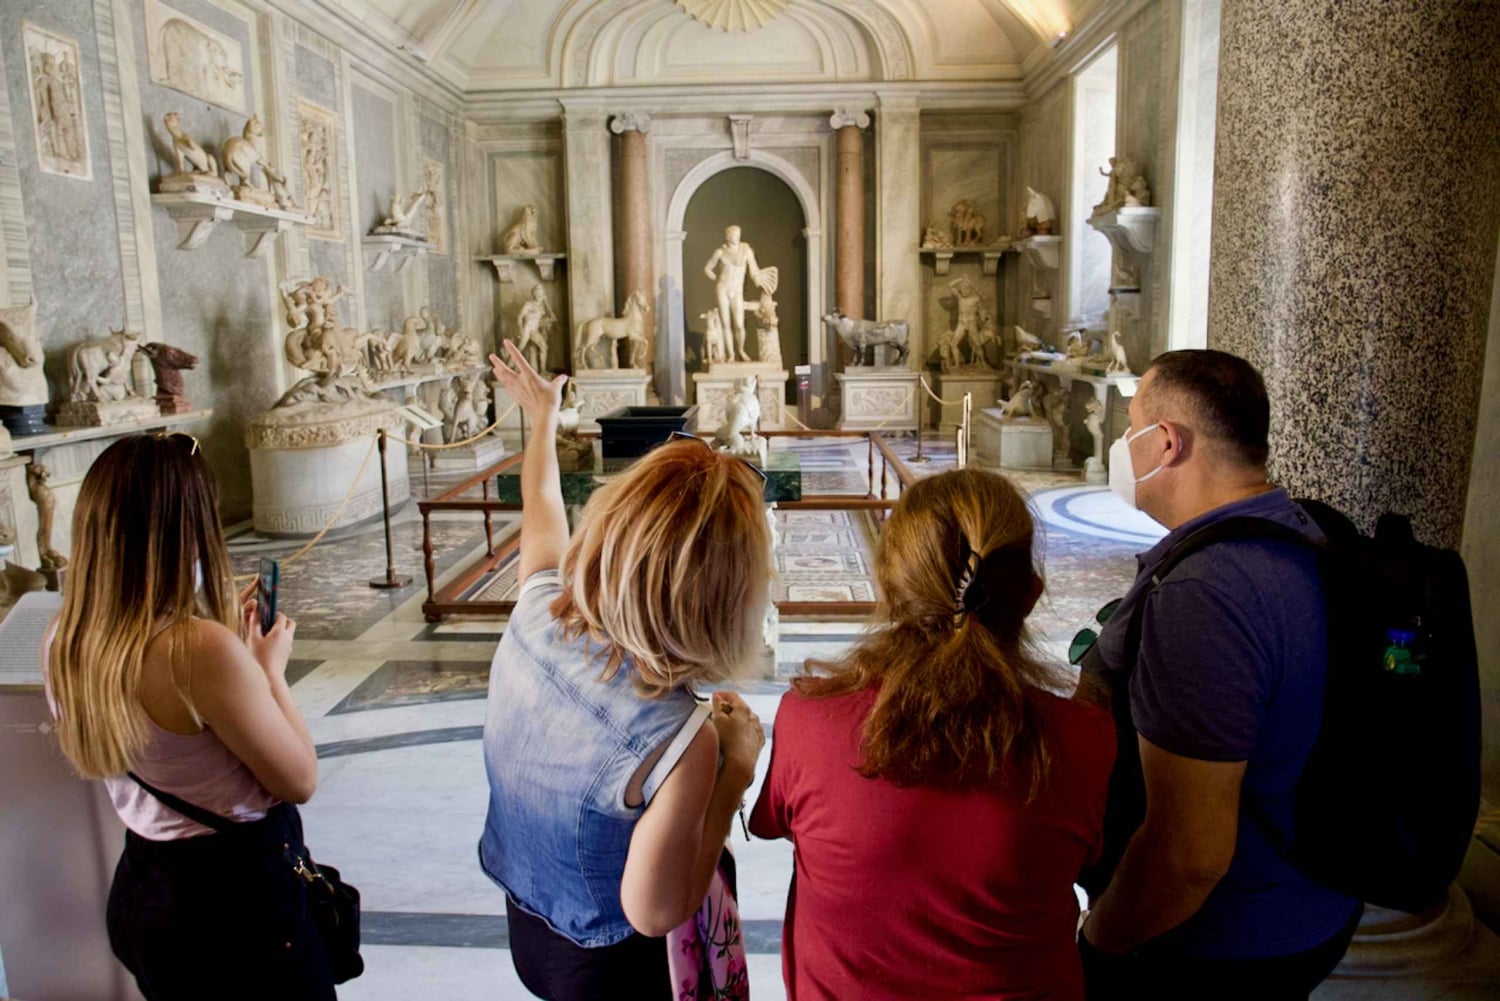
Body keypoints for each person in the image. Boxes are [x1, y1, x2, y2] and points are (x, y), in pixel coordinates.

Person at [750, 468, 1116, 1001]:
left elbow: (775, 826)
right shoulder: (1083, 738)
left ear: (889, 590)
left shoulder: (810, 720)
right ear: (1032, 594)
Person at [480, 340, 772, 1000]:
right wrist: (737, 769)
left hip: (528, 924)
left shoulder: (535, 610)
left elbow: (542, 512)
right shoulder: (682, 739)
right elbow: (656, 910)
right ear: (723, 604)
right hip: (607, 965)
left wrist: (543, 420)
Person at [1075, 350, 1362, 998]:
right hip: (1312, 901)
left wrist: (1102, 939)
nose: (1126, 444)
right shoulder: (1303, 532)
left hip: (1219, 942)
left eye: (1132, 427)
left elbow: (1188, 852)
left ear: (1167, 443)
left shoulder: (1206, 592)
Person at [44, 432, 330, 999]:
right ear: (187, 529)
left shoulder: (67, 636)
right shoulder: (196, 650)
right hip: (231, 903)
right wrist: (269, 671)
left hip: (146, 884)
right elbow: (298, 779)